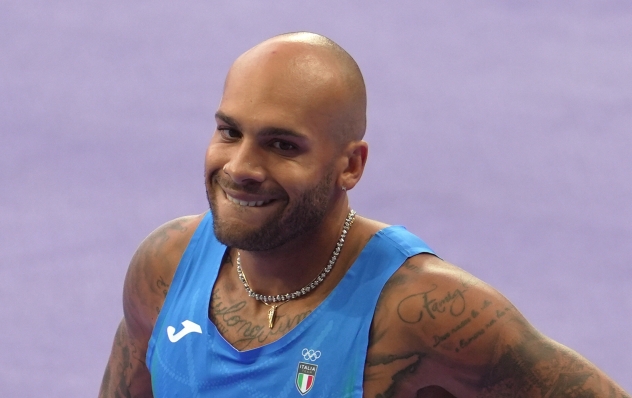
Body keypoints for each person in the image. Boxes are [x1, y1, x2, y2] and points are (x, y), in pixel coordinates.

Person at [98, 32, 629, 398]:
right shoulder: (164, 267)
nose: (240, 168)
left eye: (282, 145)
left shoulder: (424, 312)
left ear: (350, 165)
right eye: (230, 132)